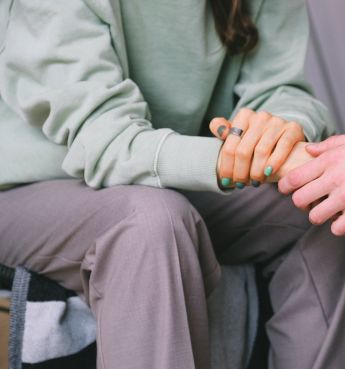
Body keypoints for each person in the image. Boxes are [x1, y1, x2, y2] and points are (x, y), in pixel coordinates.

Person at [0, 0, 341, 368]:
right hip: (33, 189)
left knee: (318, 196)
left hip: (166, 178)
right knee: (151, 222)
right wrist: (232, 160)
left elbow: (279, 88)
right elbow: (103, 139)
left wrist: (279, 138)